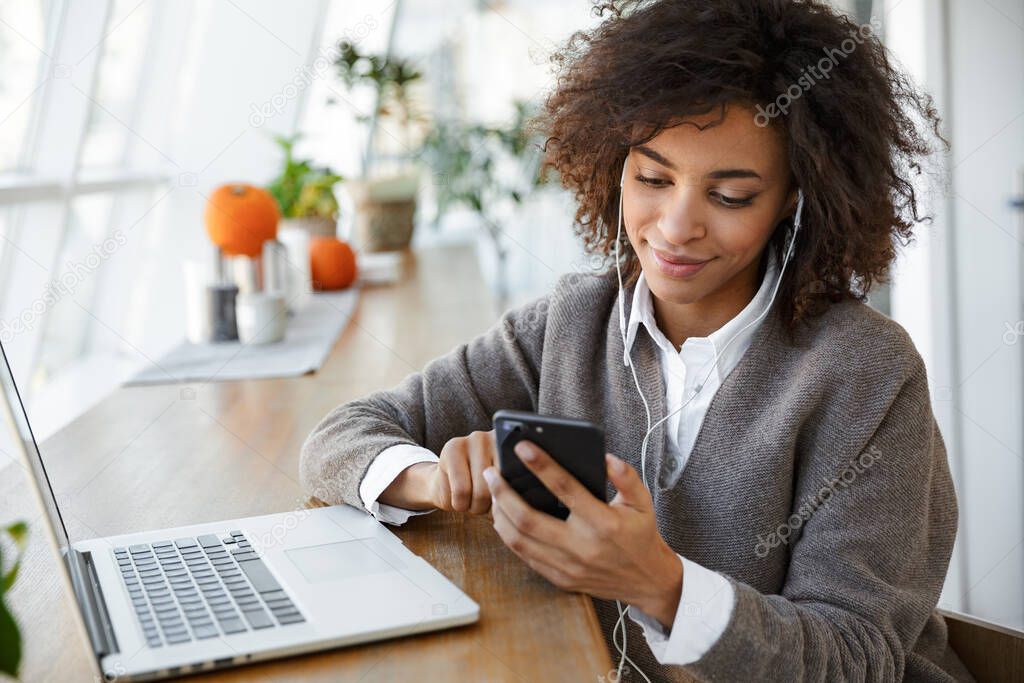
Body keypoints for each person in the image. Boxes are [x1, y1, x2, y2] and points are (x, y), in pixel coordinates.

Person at [300, 1, 974, 680]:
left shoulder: (866, 373)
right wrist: (435, 480)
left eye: (731, 195)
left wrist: (663, 585)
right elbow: (340, 436)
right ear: (614, 164)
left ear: (795, 198)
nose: (677, 226)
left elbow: (856, 659)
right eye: (652, 178)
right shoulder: (572, 322)